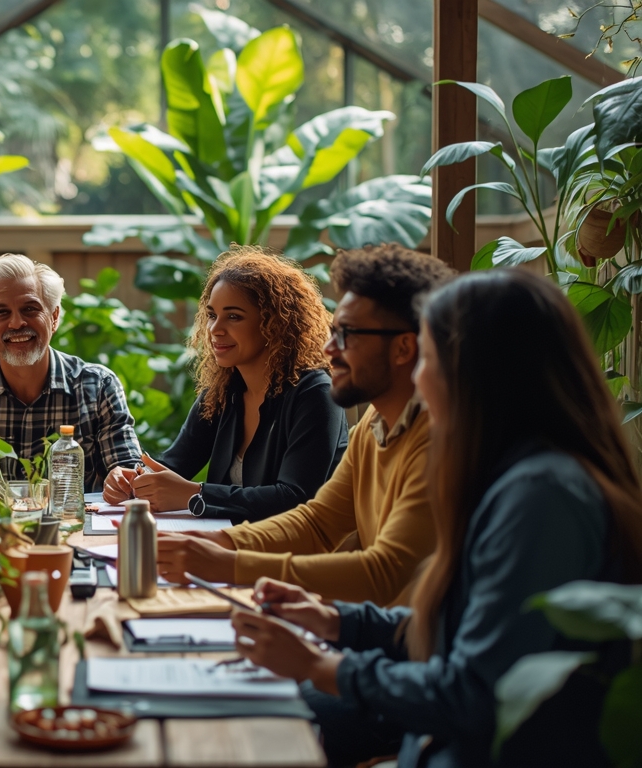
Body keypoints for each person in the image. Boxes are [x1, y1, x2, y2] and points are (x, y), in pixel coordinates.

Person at [230, 269, 642, 768]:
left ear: (475, 368)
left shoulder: (539, 498)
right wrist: (340, 621)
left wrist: (324, 666)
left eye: (428, 353)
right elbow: (467, 630)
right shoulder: (516, 475)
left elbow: (472, 692)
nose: (419, 378)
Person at [156, 244, 453, 605]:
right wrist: (219, 542)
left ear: (404, 348)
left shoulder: (440, 438)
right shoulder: (373, 427)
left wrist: (229, 563)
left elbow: (384, 573)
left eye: (347, 335)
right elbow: (316, 524)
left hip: (407, 648)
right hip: (363, 629)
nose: (329, 348)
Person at [103, 247, 348, 522]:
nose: (215, 329)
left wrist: (196, 494)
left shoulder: (315, 394)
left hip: (293, 556)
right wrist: (131, 479)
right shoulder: (223, 392)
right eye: (211, 315)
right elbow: (173, 467)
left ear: (275, 323)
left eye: (233, 316)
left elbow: (295, 498)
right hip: (228, 545)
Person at [0, 254, 142, 491]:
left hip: (72, 526)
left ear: (54, 318)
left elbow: (127, 468)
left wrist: (123, 478)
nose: (16, 323)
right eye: (2, 313)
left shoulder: (99, 387)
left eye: (30, 309)